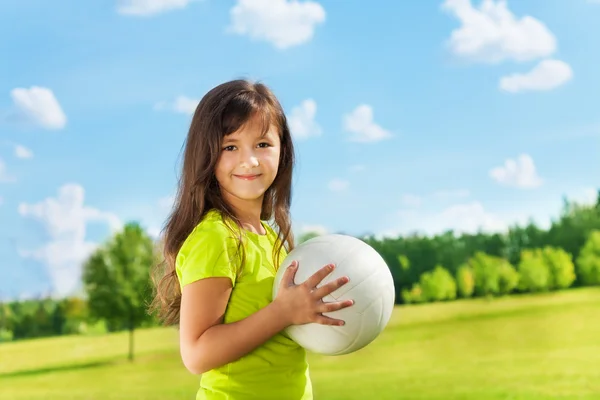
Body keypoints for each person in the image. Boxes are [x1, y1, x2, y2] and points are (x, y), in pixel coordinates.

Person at [149, 79, 355, 400]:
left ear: (282, 149)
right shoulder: (215, 237)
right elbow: (197, 353)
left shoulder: (269, 236)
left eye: (262, 144)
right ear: (207, 156)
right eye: (230, 147)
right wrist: (282, 313)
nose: (249, 160)